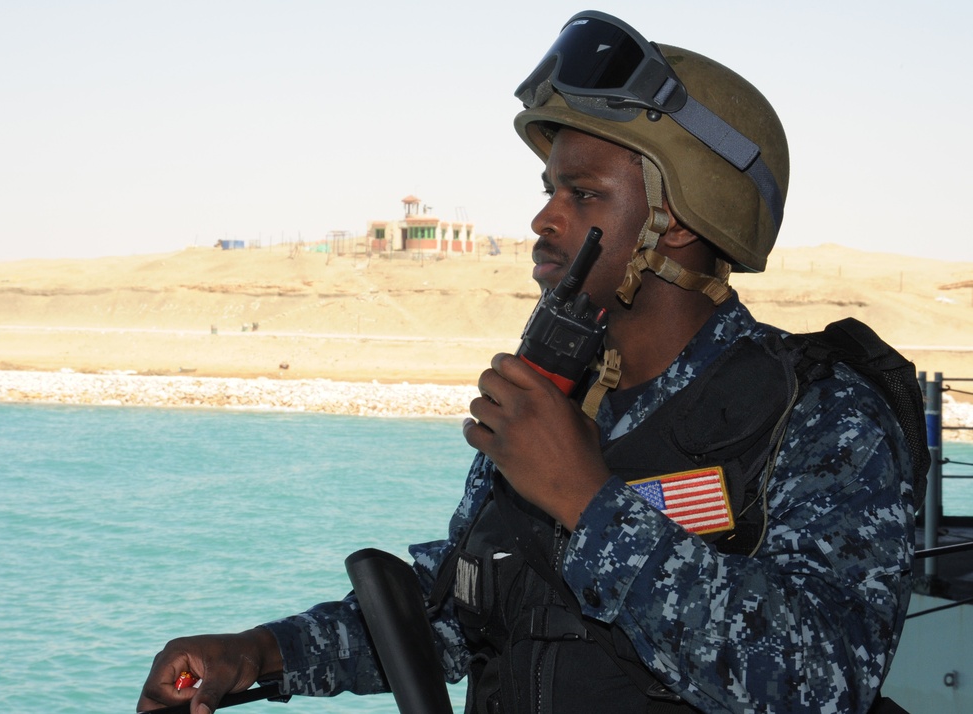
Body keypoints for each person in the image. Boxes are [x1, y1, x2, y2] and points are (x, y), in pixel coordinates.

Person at [138, 11, 921, 714]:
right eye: (549, 189)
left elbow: (825, 682)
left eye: (583, 195)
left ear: (677, 224)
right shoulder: (559, 395)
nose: (544, 217)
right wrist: (261, 653)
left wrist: (586, 498)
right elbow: (463, 611)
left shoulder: (816, 414)